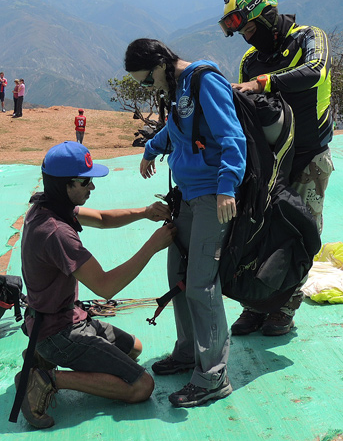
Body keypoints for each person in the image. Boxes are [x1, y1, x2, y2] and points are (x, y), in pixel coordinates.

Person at [18, 140, 176, 429]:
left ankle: (40, 357)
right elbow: (105, 286)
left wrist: (144, 211)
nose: (92, 188)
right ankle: (46, 378)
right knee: (141, 386)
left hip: (57, 318)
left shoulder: (50, 206)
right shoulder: (56, 233)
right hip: (59, 331)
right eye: (85, 182)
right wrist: (152, 246)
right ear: (65, 184)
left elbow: (102, 219)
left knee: (134, 349)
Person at [124, 38, 246, 408]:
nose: (149, 87)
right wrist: (151, 148)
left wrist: (228, 187)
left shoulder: (204, 80)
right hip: (188, 195)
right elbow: (179, 130)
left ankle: (212, 376)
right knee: (178, 273)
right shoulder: (179, 89)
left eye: (147, 80)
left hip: (213, 198)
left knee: (201, 284)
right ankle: (188, 351)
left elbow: (232, 136)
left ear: (160, 64)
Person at [218, 0, 335, 336]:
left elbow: (316, 70)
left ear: (267, 15)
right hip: (269, 161)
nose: (248, 38)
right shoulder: (250, 60)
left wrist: (261, 83)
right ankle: (256, 304)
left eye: (251, 28)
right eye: (242, 32)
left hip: (310, 156)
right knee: (260, 232)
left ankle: (285, 306)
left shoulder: (309, 37)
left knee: (301, 232)